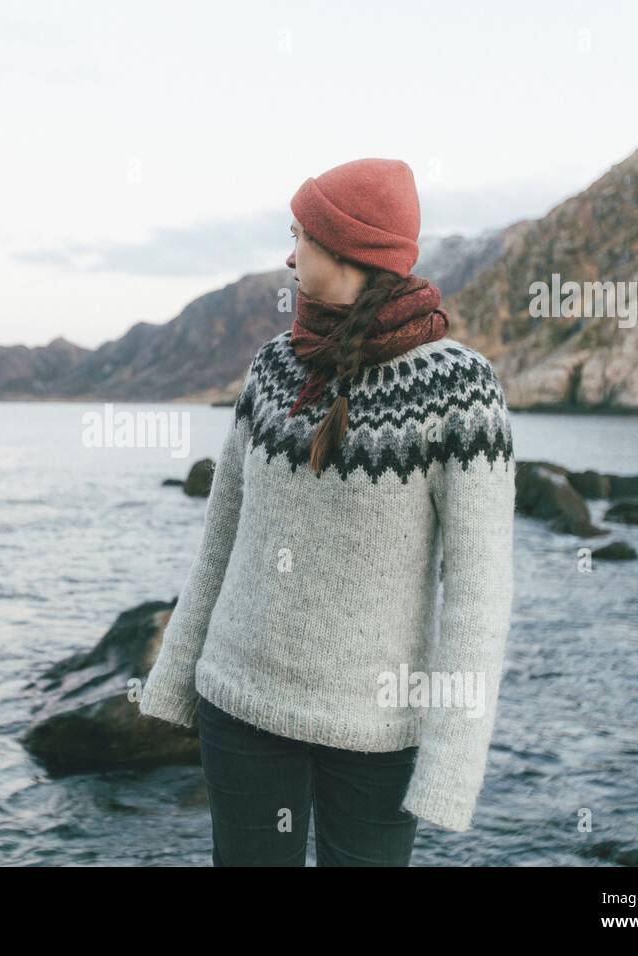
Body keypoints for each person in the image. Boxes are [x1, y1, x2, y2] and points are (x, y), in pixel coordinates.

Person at [138, 158, 516, 866]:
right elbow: (222, 534)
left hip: (377, 731)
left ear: (347, 252)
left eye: (301, 236)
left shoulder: (461, 390)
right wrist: (175, 676)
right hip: (242, 707)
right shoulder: (274, 366)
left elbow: (478, 589)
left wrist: (452, 763)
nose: (289, 254)